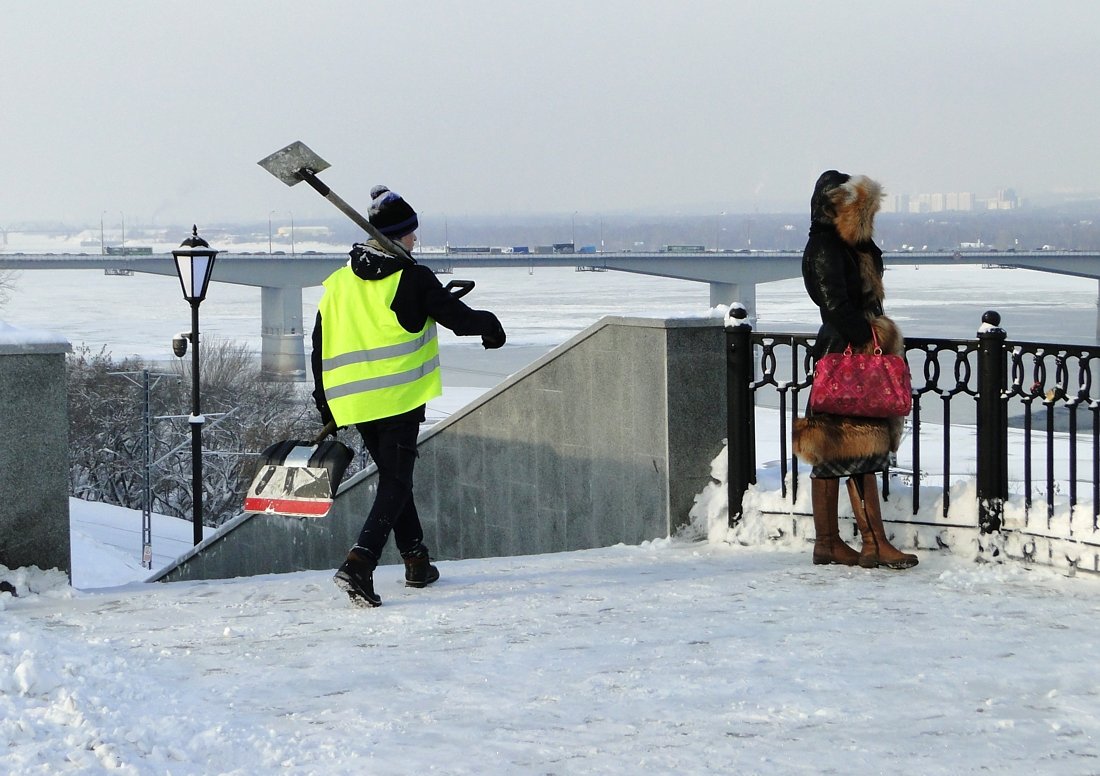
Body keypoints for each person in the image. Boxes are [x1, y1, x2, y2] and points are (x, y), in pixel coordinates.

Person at [312, 186, 507, 606]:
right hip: (398, 397)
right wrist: (492, 327)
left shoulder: (338, 283)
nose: (415, 241)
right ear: (396, 236)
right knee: (397, 481)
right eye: (410, 234)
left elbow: (318, 347)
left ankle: (416, 561)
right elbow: (459, 320)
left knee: (395, 481)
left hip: (357, 403)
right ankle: (359, 565)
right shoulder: (412, 276)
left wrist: (325, 404)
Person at [792, 170, 918, 570]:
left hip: (843, 353)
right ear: (836, 208)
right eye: (857, 211)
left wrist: (861, 240)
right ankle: (866, 543)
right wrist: (869, 338)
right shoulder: (825, 247)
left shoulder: (843, 245)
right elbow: (834, 304)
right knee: (852, 449)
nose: (863, 220)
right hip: (846, 355)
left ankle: (838, 544)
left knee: (840, 451)